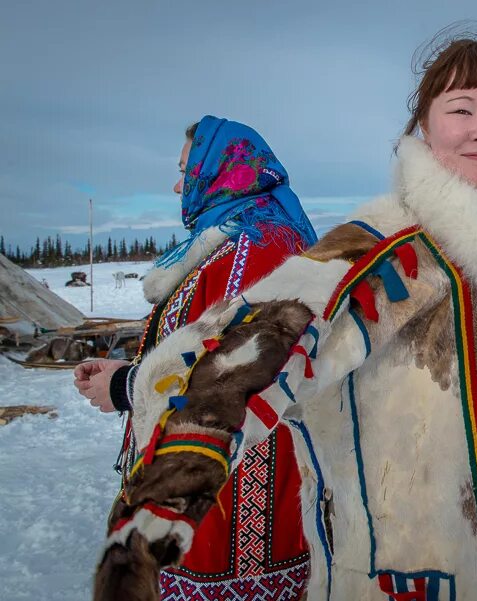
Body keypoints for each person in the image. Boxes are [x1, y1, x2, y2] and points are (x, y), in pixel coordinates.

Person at [95, 38, 477, 601]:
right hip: (427, 573)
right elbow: (254, 345)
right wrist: (169, 491)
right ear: (424, 124)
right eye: (462, 108)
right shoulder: (381, 251)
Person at [79, 116, 316, 600]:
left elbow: (237, 366)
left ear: (221, 171)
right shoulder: (234, 239)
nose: (176, 184)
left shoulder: (255, 249)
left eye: (186, 170)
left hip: (232, 482)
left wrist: (127, 387)